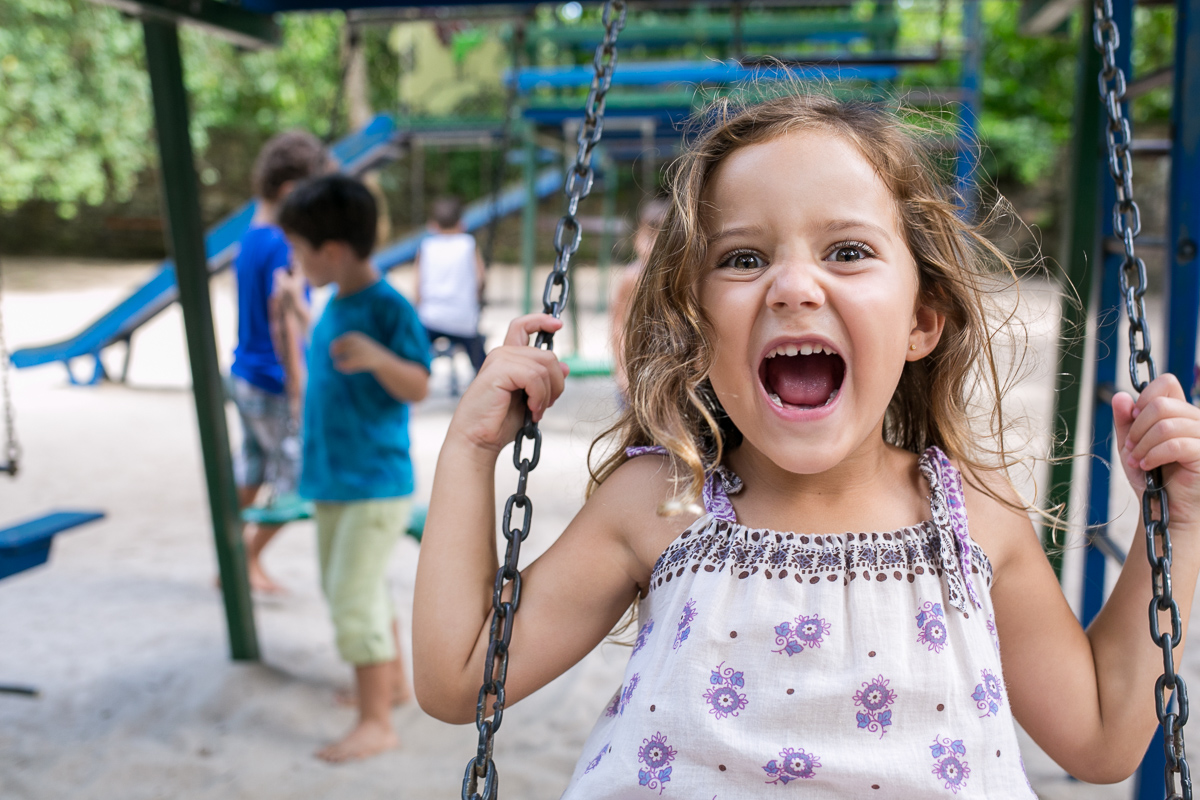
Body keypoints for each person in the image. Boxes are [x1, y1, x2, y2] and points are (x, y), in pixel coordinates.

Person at [411, 90, 1200, 795]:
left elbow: (1099, 737)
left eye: (847, 251)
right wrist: (470, 452)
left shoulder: (974, 515)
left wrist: (1178, 526)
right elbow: (458, 678)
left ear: (923, 320)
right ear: (697, 327)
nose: (792, 286)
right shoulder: (659, 504)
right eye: (744, 258)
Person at [279, 175, 431, 763]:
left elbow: (417, 384)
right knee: (354, 589)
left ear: (332, 251)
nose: (295, 259)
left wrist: (377, 358)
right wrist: (296, 310)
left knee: (351, 596)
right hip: (334, 478)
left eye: (299, 248)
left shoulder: (387, 307)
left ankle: (376, 723)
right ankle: (389, 687)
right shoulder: (334, 302)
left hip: (372, 482)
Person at [229, 130, 327, 595]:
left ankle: (230, 556)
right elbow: (283, 319)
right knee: (298, 480)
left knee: (250, 468)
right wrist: (299, 386)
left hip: (245, 374)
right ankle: (244, 559)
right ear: (291, 193)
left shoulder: (252, 232)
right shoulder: (283, 246)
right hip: (273, 380)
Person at [413, 196, 488, 374]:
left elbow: (418, 285)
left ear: (432, 225)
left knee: (415, 353)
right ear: (462, 224)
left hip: (430, 318)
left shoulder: (426, 246)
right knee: (481, 362)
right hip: (462, 319)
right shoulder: (468, 244)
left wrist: (418, 306)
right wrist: (479, 300)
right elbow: (481, 278)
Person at [610, 197, 668, 395]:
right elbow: (618, 326)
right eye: (648, 237)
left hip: (663, 374)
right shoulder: (632, 277)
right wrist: (622, 371)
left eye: (661, 239)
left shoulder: (675, 279)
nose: (652, 247)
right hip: (635, 370)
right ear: (637, 237)